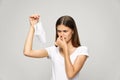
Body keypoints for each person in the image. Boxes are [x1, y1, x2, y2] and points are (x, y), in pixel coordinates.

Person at [23, 14, 89, 80]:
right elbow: (27, 52)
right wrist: (33, 27)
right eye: (59, 31)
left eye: (65, 31)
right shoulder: (53, 50)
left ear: (73, 31)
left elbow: (70, 75)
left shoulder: (82, 50)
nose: (61, 35)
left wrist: (65, 48)